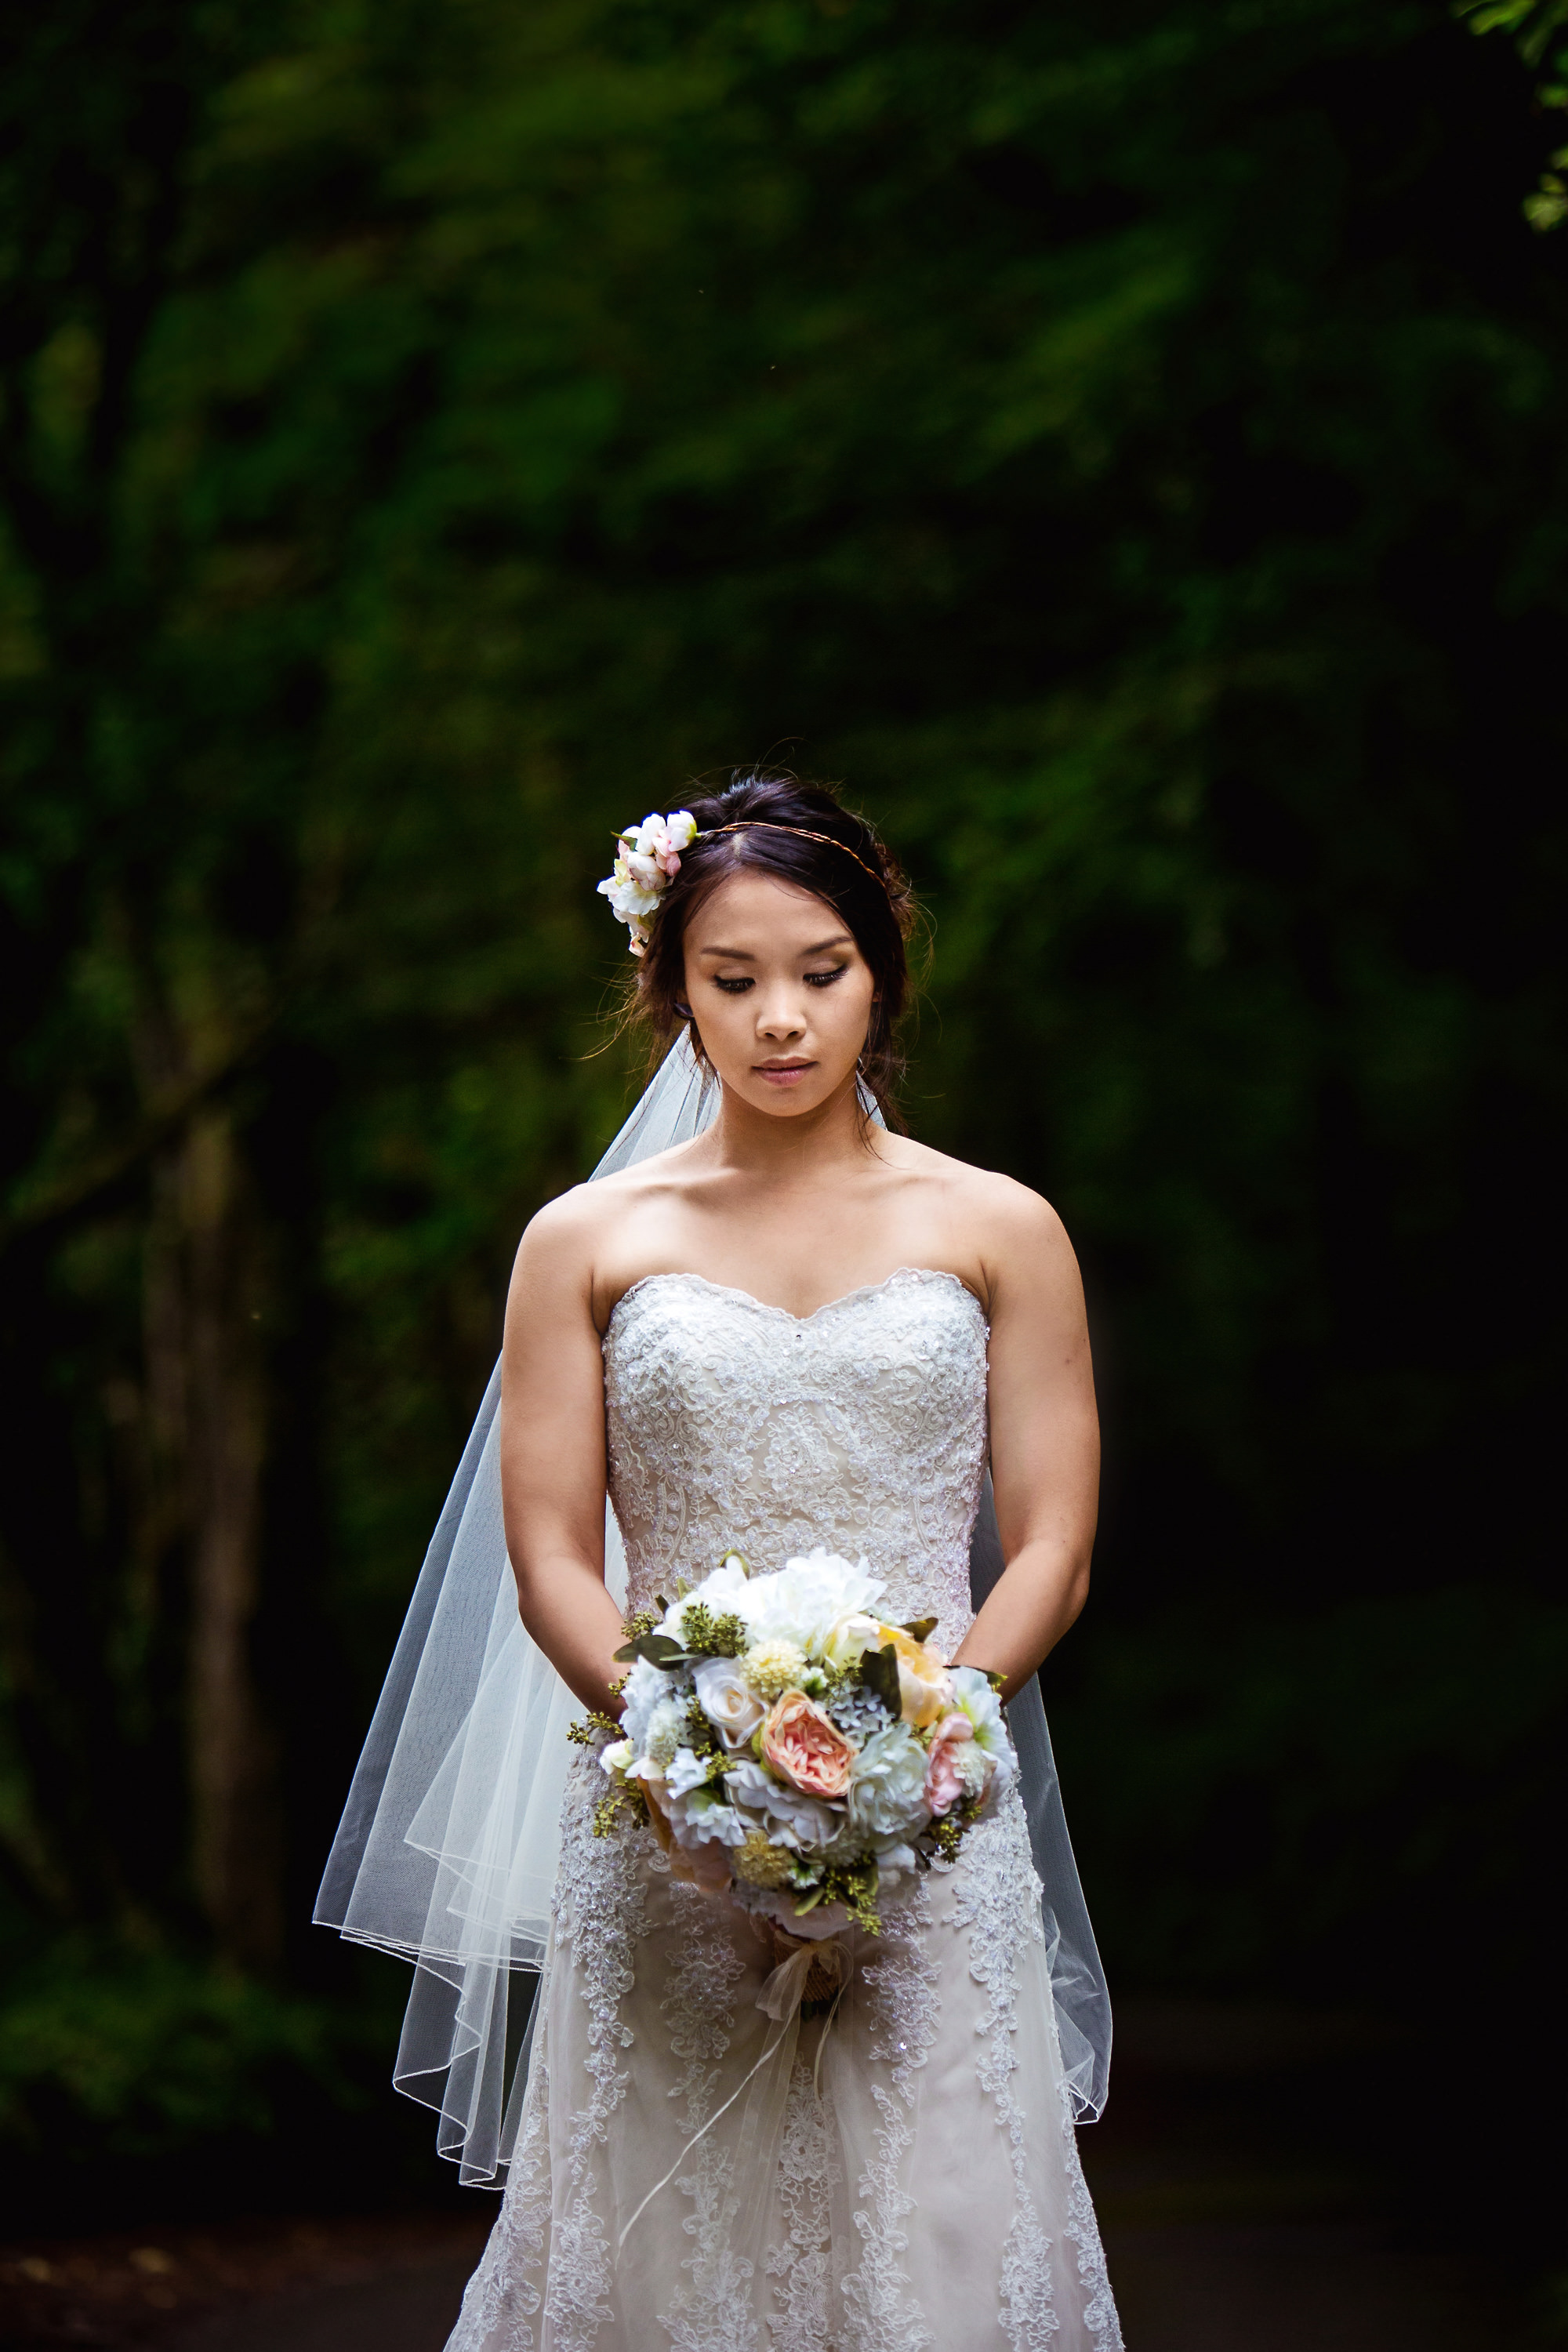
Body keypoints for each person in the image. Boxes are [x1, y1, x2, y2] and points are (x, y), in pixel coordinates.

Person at [321, 772, 1123, 2351]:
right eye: (731, 979)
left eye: (819, 971)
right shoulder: (586, 1241)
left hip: (934, 1828)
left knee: (938, 2243)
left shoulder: (1000, 1227)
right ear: (667, 985)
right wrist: (690, 1758)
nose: (778, 1020)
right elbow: (550, 1549)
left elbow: (1054, 1543)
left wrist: (917, 1744)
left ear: (882, 967)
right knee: (665, 2250)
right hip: (662, 1821)